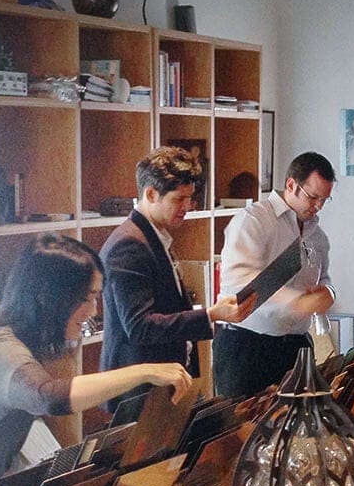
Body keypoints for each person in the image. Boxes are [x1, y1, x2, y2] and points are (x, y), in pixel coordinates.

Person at [0, 233, 191, 486]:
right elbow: (48, 398)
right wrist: (144, 371)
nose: (92, 310)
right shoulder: (1, 350)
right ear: (50, 298)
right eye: (87, 298)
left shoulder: (23, 344)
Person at [99, 147, 254, 410]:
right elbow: (140, 327)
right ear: (150, 194)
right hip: (139, 394)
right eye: (179, 199)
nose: (188, 207)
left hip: (163, 386)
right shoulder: (129, 245)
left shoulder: (154, 235)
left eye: (190, 198)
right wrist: (210, 315)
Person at [214, 152, 337, 398]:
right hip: (247, 344)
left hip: (295, 344)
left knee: (297, 425)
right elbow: (239, 279)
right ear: (291, 185)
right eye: (313, 197)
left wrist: (328, 294)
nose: (318, 206)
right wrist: (296, 301)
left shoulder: (317, 236)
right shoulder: (254, 220)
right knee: (245, 429)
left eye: (325, 199)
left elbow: (324, 279)